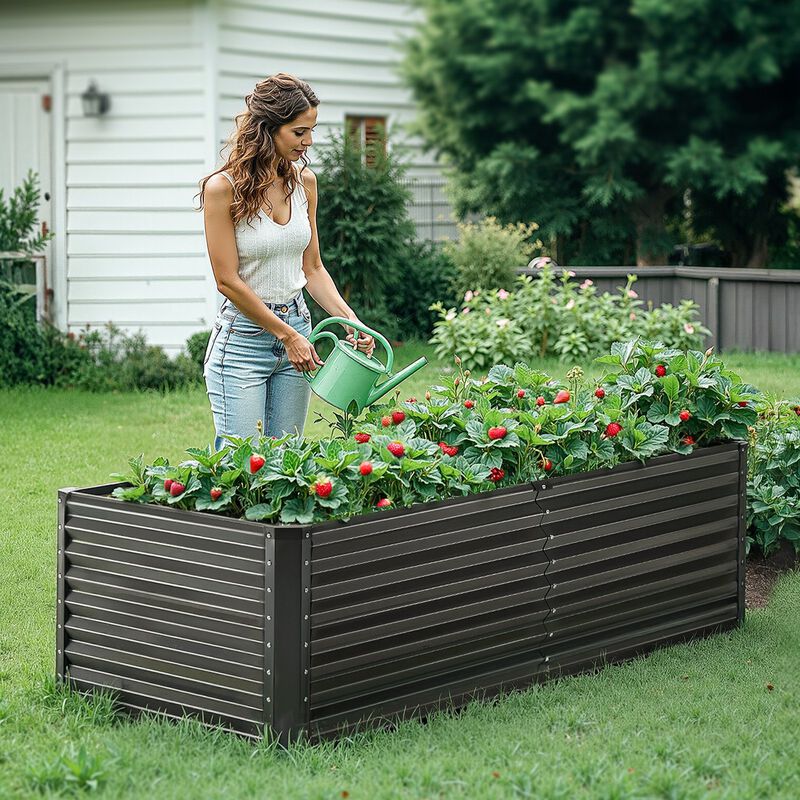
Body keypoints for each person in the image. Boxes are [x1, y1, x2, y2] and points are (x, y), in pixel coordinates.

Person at [198, 73, 375, 450]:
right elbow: (226, 280)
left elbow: (312, 268)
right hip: (244, 339)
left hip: (298, 327)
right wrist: (286, 335)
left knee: (288, 460)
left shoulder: (303, 182)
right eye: (299, 132)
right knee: (238, 464)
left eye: (311, 130)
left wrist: (351, 322)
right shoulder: (222, 189)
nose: (308, 141)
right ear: (268, 129)